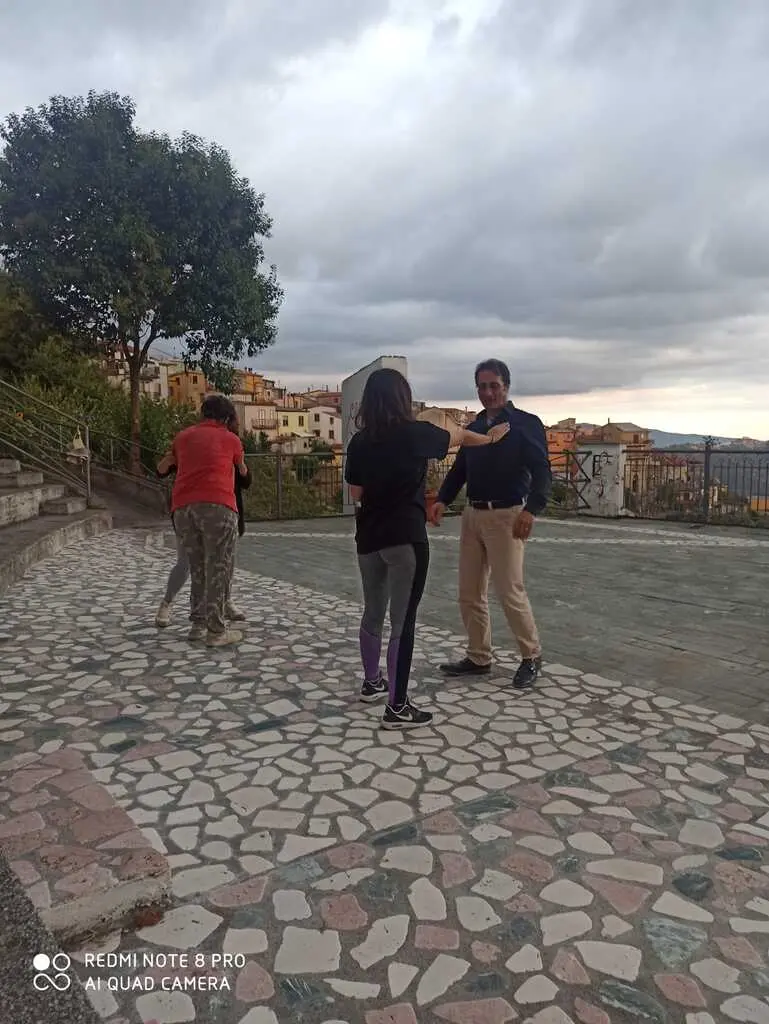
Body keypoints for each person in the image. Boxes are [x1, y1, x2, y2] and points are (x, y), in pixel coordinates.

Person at [344, 367, 510, 729]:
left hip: (368, 538)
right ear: (403, 399)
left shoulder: (359, 442)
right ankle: (397, 706)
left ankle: (372, 682)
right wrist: (493, 439)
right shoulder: (414, 434)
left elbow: (355, 493)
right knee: (402, 622)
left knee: (372, 611)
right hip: (405, 536)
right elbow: (461, 437)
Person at [430, 358, 552, 689]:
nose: (487, 392)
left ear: (506, 387)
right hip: (473, 515)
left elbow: (542, 470)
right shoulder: (476, 427)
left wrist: (532, 510)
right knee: (469, 592)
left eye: (493, 385)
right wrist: (443, 498)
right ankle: (478, 656)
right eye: (482, 386)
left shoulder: (526, 424)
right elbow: (460, 469)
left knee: (509, 590)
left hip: (507, 516)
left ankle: (531, 656)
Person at [157, 394, 248, 647]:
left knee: (197, 567)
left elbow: (163, 467)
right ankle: (216, 631)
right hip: (218, 505)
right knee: (217, 567)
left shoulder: (183, 437)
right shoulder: (231, 439)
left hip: (183, 508)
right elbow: (243, 472)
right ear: (227, 417)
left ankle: (197, 625)